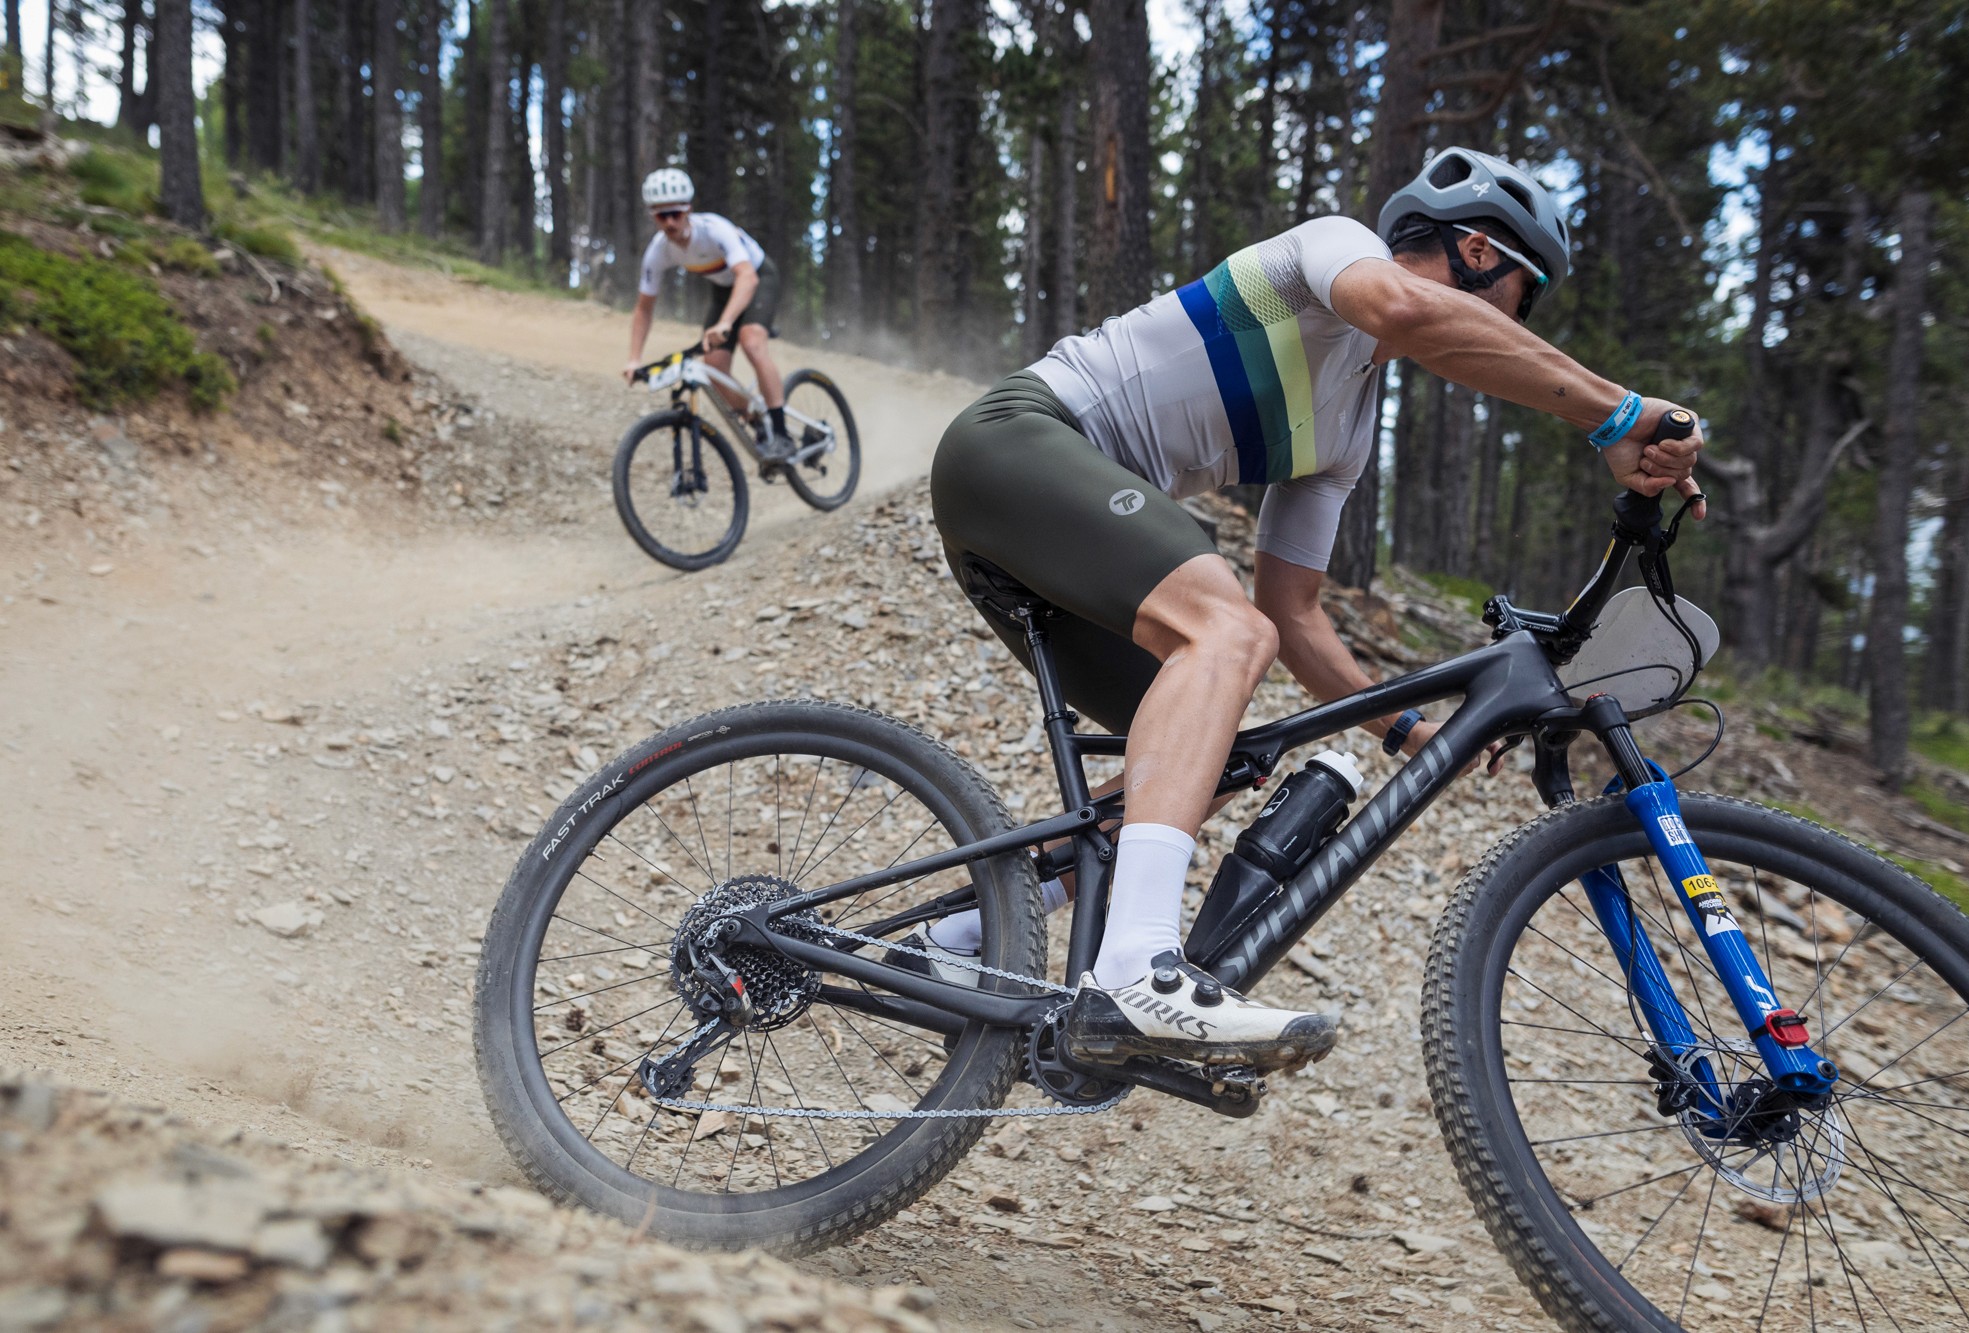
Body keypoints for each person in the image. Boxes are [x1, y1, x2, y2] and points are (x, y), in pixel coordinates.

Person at [919, 147, 1706, 1075]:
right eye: (1520, 307)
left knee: (1216, 751)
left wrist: (1410, 729)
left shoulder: (1343, 434)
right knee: (1223, 634)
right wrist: (1616, 415)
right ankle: (1132, 970)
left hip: (1055, 539)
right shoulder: (1333, 253)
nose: (1514, 333)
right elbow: (1406, 307)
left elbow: (1292, 614)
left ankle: (960, 932)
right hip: (1020, 442)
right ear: (1480, 253)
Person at [622, 167, 791, 456]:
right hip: (724, 289)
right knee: (713, 366)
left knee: (751, 341)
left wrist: (725, 322)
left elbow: (747, 277)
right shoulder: (658, 251)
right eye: (662, 216)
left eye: (676, 213)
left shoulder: (714, 230)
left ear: (688, 209)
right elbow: (644, 309)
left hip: (758, 277)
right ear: (653, 216)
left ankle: (782, 432)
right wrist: (635, 359)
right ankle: (757, 422)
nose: (671, 222)